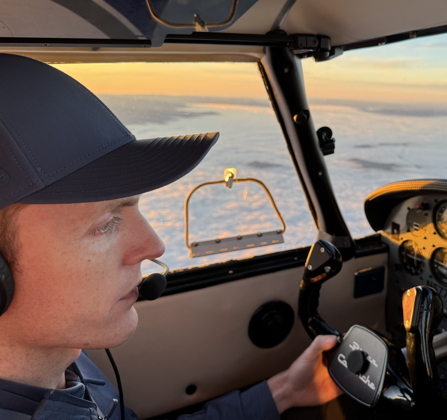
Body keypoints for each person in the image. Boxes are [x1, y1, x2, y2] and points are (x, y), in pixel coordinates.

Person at [0, 53, 343, 419]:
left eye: (133, 207)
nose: (153, 246)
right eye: (104, 224)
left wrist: (285, 390)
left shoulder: (66, 359)